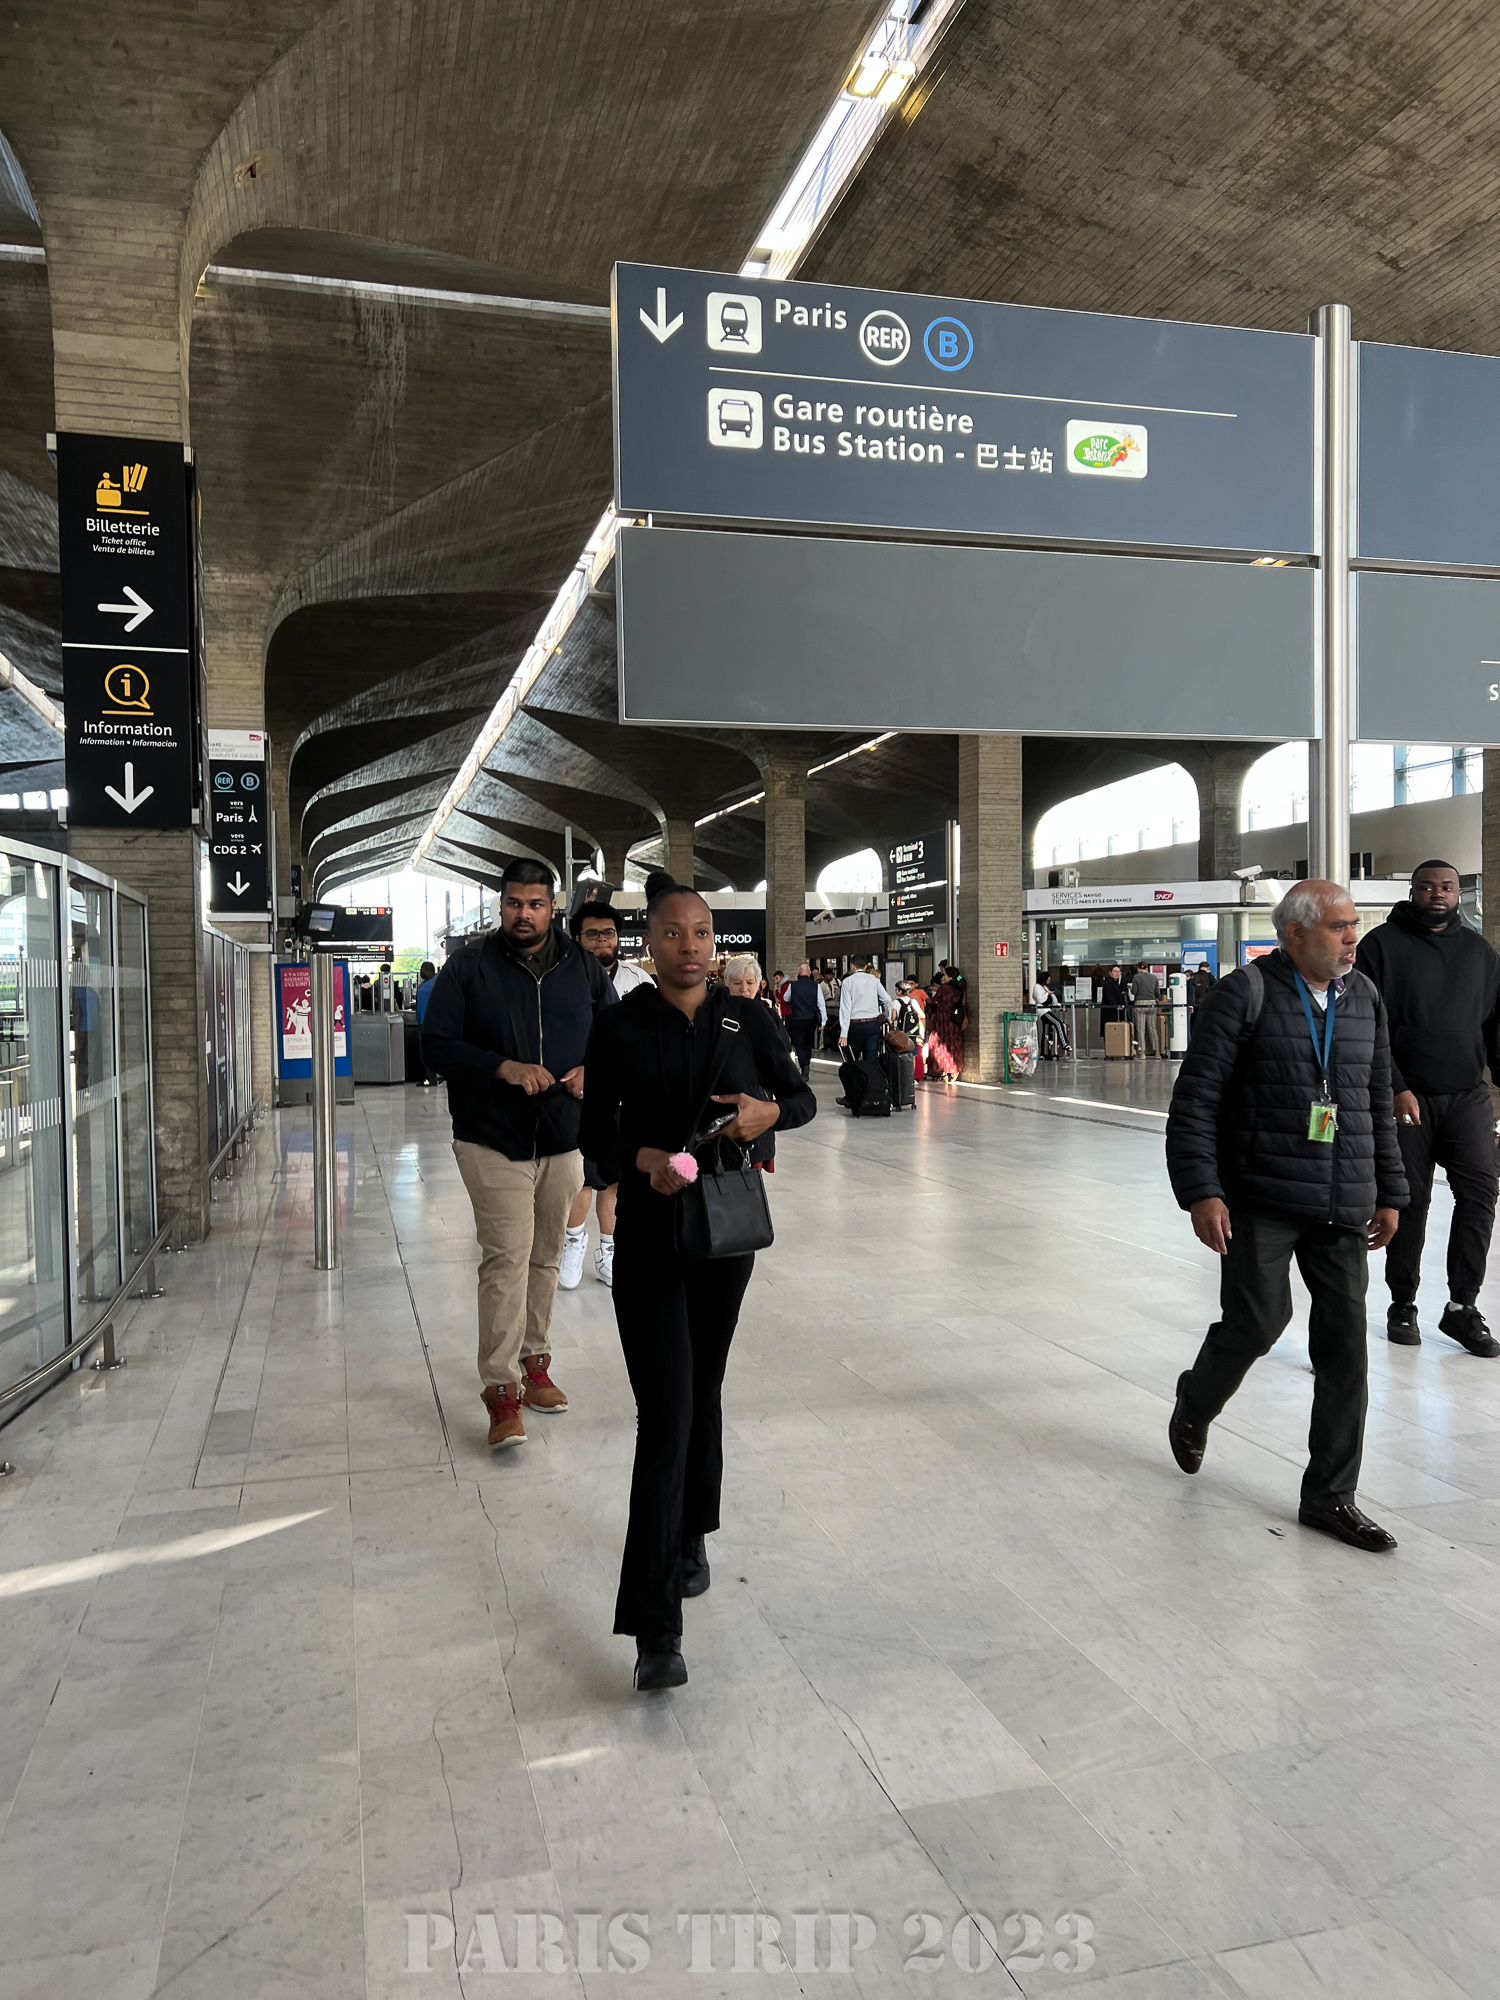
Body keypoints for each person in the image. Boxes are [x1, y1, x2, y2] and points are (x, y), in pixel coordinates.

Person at [581, 873, 816, 1690]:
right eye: (673, 933)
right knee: (666, 1414)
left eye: (702, 933)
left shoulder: (748, 1019)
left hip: (723, 1238)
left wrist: (766, 1115)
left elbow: (802, 1098)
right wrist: (642, 1158)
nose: (689, 946)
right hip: (650, 1235)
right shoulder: (618, 1026)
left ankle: (691, 1531)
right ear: (648, 943)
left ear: (717, 944)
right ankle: (656, 1633)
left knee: (703, 1388)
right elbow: (595, 1136)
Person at [1164, 879, 1408, 1551]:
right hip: (1262, 1195)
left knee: (1346, 1349)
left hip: (1342, 1200)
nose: (1352, 938)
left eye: (1354, 924)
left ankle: (1331, 1497)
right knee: (1258, 1321)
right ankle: (1196, 1401)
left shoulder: (1364, 997)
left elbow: (1375, 1099)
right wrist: (1202, 1191)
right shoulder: (1244, 994)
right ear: (1295, 933)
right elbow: (1196, 1102)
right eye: (1338, 926)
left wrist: (1390, 1190)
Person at [421, 859, 616, 1448]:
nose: (523, 914)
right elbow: (436, 1045)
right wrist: (501, 1067)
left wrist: (595, 1071)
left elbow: (617, 1037)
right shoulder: (469, 966)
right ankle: (501, 1389)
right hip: (491, 1137)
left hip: (562, 1136)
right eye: (514, 903)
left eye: (535, 904)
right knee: (507, 1256)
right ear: (500, 905)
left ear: (553, 907)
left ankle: (535, 1363)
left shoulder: (583, 967)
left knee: (547, 1254)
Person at [1355, 859, 1500, 1356]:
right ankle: (1402, 1303)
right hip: (1406, 1096)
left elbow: (1494, 1026)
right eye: (1427, 886)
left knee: (1480, 1193)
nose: (1438, 894)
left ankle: (1462, 1306)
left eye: (1447, 887)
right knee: (1408, 1201)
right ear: (1412, 891)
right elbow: (1366, 1025)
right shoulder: (1380, 946)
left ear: (1459, 893)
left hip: (1467, 1096)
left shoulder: (1479, 952)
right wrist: (1394, 1085)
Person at [560, 901, 655, 1292]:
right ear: (577, 938)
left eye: (609, 933)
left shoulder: (639, 980)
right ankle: (573, 1243)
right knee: (580, 1178)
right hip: (576, 1097)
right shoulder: (562, 980)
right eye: (593, 934)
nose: (602, 941)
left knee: (614, 1180)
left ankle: (608, 1251)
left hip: (625, 1099)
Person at [838, 956, 894, 1064]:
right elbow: (887, 999)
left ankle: (855, 1075)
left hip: (855, 1026)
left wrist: (844, 1033)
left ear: (852, 966)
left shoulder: (847, 982)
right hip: (872, 1025)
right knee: (871, 1060)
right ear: (865, 967)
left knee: (853, 1059)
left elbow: (846, 1008)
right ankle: (870, 1075)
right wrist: (888, 1016)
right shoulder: (874, 980)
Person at [783, 959, 826, 1078]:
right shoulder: (816, 986)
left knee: (799, 1043)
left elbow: (786, 998)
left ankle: (804, 1065)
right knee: (808, 1042)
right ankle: (807, 1062)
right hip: (811, 1018)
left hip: (797, 1018)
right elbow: (821, 1004)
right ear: (810, 972)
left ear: (799, 972)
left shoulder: (793, 985)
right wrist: (823, 1021)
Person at [925, 966, 966, 1080]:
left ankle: (940, 1070)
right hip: (954, 1020)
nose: (943, 978)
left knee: (939, 1045)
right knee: (953, 1045)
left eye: (944, 975)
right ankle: (953, 1070)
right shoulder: (960, 988)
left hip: (941, 1019)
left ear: (948, 976)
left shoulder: (944, 988)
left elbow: (934, 1002)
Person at [1032, 970, 1072, 1058]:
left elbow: (1054, 1002)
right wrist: (1047, 993)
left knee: (1046, 1031)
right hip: (1043, 1012)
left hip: (1047, 1010)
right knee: (1058, 1023)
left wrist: (1060, 1007)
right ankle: (1064, 1043)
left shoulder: (1045, 988)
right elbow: (1040, 999)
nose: (1049, 982)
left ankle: (1045, 1052)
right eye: (1048, 980)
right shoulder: (1037, 987)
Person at [414, 958, 441, 1086]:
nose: (420, 972)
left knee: (428, 1050)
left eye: (422, 970)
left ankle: (432, 1078)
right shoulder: (425, 983)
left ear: (427, 970)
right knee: (424, 1051)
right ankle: (429, 1076)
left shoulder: (436, 982)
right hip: (422, 1021)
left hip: (430, 1022)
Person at [1130, 960, 1163, 1057]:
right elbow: (1157, 992)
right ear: (1147, 968)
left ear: (1138, 969)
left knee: (1141, 1029)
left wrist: (1131, 988)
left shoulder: (1136, 977)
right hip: (1152, 1003)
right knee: (1152, 1028)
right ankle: (1157, 1052)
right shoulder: (1154, 977)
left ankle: (1142, 1052)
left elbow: (1134, 992)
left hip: (1140, 1003)